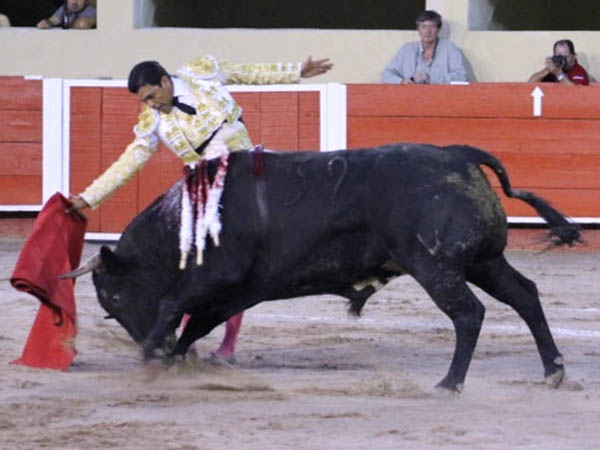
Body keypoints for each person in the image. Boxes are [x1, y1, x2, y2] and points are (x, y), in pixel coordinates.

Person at [68, 54, 333, 359]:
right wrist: (90, 197)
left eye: (152, 96)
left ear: (166, 82)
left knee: (242, 266)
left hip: (248, 177)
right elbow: (130, 160)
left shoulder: (200, 74)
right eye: (144, 101)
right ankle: (187, 340)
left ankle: (228, 345)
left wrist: (295, 70)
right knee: (191, 267)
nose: (150, 104)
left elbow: (246, 70)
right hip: (207, 194)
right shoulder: (152, 120)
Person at [381, 10, 468, 85]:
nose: (428, 31)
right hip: (410, 98)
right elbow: (386, 74)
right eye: (423, 27)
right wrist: (402, 81)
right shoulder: (407, 49)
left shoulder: (450, 49)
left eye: (432, 26)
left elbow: (462, 76)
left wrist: (432, 79)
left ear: (438, 29)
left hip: (441, 98)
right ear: (418, 30)